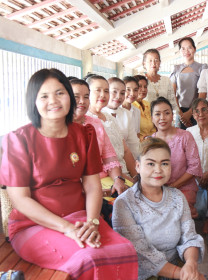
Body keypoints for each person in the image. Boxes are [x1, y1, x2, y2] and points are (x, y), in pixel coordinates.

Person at [0, 68, 138, 280]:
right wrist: (67, 229)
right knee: (88, 257)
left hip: (81, 219)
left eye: (60, 93)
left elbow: (92, 186)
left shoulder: (84, 134)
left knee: (124, 250)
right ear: (33, 102)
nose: (53, 101)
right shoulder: (18, 140)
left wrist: (92, 222)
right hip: (33, 224)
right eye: (44, 96)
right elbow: (20, 200)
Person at [112, 137, 205, 280]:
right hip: (143, 274)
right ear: (137, 166)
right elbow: (141, 254)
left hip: (178, 268)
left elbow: (189, 236)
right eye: (150, 163)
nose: (158, 170)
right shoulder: (125, 203)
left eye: (165, 163)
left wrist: (191, 264)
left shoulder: (177, 197)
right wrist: (185, 275)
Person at [71, 78, 126, 196]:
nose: (82, 101)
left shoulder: (95, 124)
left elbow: (110, 157)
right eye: (76, 97)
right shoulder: (60, 127)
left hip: (102, 181)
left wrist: (117, 179)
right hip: (76, 187)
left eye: (86, 97)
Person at [151, 97, 203, 218]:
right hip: (157, 188)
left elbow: (194, 167)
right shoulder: (150, 141)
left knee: (177, 212)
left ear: (172, 116)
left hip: (184, 187)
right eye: (157, 114)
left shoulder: (185, 136)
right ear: (152, 118)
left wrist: (171, 187)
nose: (162, 118)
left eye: (167, 113)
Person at [86, 75, 137, 179]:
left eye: (106, 91)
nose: (103, 95)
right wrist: (127, 181)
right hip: (105, 177)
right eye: (98, 90)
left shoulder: (110, 118)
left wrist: (137, 177)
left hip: (123, 173)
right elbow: (101, 161)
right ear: (88, 93)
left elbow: (126, 151)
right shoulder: (85, 120)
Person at [186, 98, 208, 231]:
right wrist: (194, 175)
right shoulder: (188, 132)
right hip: (192, 176)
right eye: (196, 111)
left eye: (204, 110)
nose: (200, 114)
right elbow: (184, 159)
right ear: (193, 115)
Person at [170, 37, 208, 129]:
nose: (186, 51)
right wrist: (181, 114)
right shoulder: (176, 69)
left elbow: (203, 93)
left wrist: (191, 112)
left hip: (198, 111)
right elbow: (172, 93)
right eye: (183, 48)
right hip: (180, 112)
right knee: (180, 140)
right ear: (180, 51)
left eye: (189, 47)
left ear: (194, 49)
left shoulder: (202, 68)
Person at [102, 77, 140, 159]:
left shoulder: (127, 114)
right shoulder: (99, 113)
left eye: (122, 93)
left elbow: (133, 144)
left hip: (125, 159)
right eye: (114, 92)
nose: (118, 96)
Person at [133, 75, 156, 141]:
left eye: (145, 87)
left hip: (151, 142)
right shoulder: (131, 107)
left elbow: (153, 128)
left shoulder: (148, 104)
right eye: (140, 86)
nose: (143, 89)